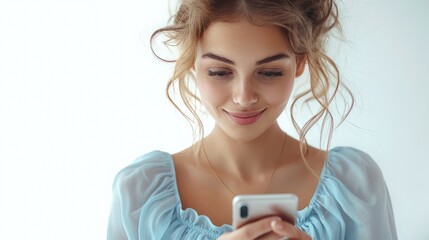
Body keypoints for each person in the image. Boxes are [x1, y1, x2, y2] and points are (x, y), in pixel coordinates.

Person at [107, 0, 397, 239]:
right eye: (220, 72)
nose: (244, 98)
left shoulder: (353, 186)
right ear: (191, 63)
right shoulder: (141, 195)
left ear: (299, 64)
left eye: (269, 72)